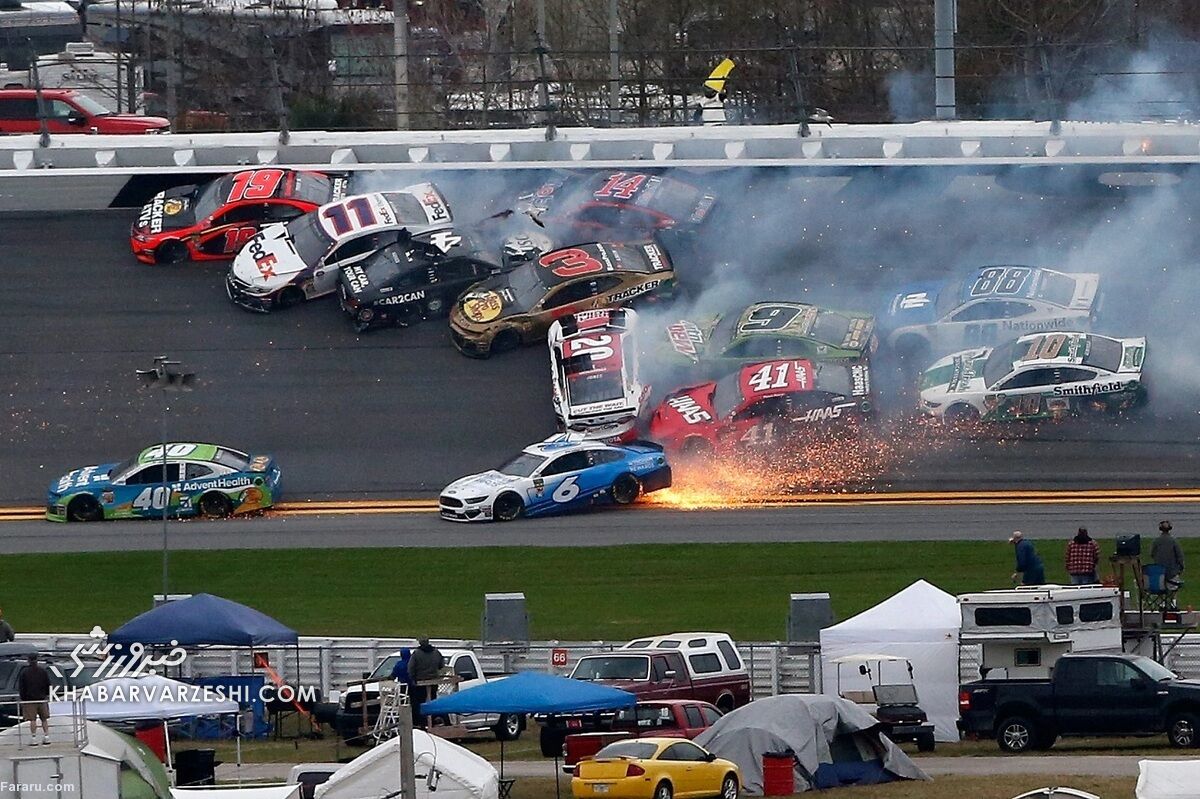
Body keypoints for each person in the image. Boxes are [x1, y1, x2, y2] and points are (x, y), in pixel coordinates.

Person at [407, 637, 445, 729]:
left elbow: (410, 668)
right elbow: (441, 665)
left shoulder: (416, 654)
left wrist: (413, 679)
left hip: (420, 682)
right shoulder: (436, 652)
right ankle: (432, 720)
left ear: (420, 643)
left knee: (420, 703)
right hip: (434, 681)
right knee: (432, 700)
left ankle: (423, 723)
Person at [18, 653, 51, 745]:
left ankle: (34, 738)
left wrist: (23, 699)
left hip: (29, 700)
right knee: (44, 719)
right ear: (37, 659)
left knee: (32, 720)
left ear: (28, 660)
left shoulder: (24, 672)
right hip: (42, 698)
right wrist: (46, 695)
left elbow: (22, 687)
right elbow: (48, 684)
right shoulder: (43, 671)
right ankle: (46, 736)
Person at [1151, 520, 1185, 590]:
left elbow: (1152, 554)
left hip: (1159, 574)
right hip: (1172, 574)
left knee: (1161, 592)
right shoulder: (1173, 541)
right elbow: (1180, 557)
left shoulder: (1156, 541)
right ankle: (1173, 600)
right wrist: (1181, 568)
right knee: (1173, 592)